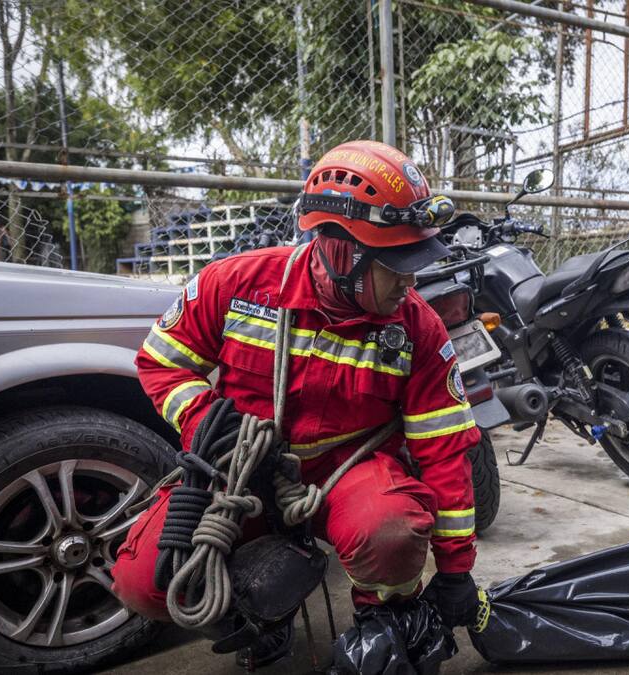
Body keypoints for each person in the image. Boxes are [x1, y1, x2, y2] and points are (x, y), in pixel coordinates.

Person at [112, 140, 482, 665]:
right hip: (240, 467)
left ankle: (381, 620)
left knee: (392, 531)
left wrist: (455, 570)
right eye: (396, 263)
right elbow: (160, 363)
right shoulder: (233, 284)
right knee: (144, 580)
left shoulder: (418, 329)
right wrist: (206, 424)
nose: (410, 280)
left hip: (348, 472)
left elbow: (445, 453)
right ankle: (255, 619)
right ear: (339, 251)